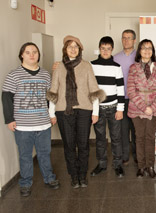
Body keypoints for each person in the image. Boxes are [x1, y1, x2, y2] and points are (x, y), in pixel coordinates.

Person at [47, 35, 105, 188]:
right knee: (69, 145)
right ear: (65, 49)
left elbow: (94, 89)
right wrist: (51, 113)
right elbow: (54, 90)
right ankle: (73, 175)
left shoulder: (86, 66)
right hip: (63, 111)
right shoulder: (58, 67)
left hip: (84, 110)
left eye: (76, 46)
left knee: (84, 145)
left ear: (80, 49)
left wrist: (95, 112)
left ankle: (82, 175)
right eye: (70, 46)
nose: (73, 49)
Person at [2, 42, 60, 197]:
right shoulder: (13, 75)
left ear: (38, 55)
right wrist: (9, 119)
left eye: (34, 52)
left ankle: (49, 178)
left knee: (44, 153)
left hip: (43, 123)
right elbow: (6, 98)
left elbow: (50, 97)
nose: (32, 55)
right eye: (28, 52)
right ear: (22, 55)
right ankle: (26, 183)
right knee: (25, 156)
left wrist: (51, 114)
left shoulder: (45, 74)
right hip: (22, 126)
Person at [127, 39, 156, 179]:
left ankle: (150, 167)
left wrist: (152, 108)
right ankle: (141, 167)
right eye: (144, 48)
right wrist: (144, 108)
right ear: (139, 51)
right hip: (137, 109)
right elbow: (131, 91)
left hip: (154, 110)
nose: (147, 50)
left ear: (153, 51)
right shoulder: (133, 68)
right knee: (139, 138)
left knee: (150, 137)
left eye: (150, 48)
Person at [90, 36, 125, 178]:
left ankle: (118, 164)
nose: (105, 51)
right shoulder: (91, 66)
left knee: (116, 138)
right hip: (98, 109)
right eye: (103, 49)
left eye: (108, 49)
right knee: (100, 138)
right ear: (99, 49)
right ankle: (102, 163)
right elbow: (91, 90)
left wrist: (120, 109)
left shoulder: (117, 67)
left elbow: (121, 89)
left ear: (112, 50)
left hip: (113, 107)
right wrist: (94, 111)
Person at [114, 29, 137, 165]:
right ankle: (124, 156)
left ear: (134, 40)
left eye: (129, 38)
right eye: (124, 38)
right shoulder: (115, 58)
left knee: (135, 129)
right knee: (122, 129)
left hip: (136, 99)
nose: (126, 40)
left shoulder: (139, 56)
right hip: (121, 99)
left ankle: (136, 155)